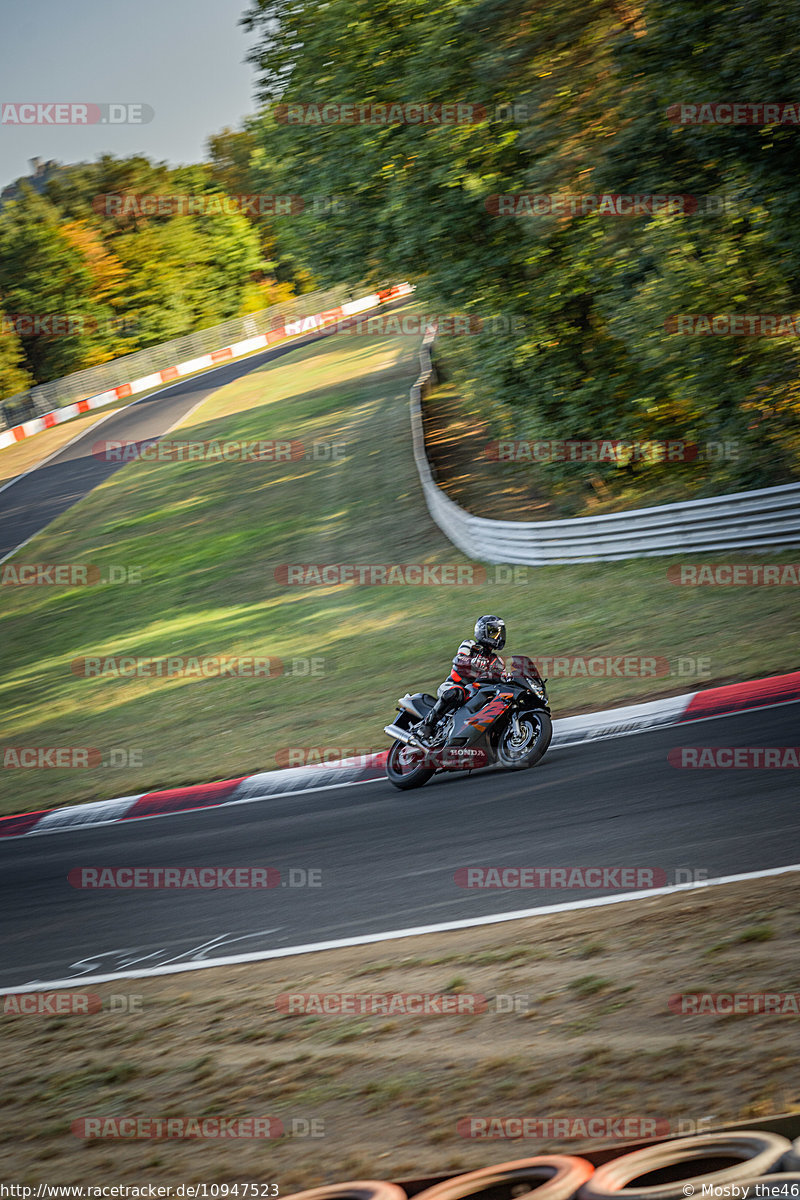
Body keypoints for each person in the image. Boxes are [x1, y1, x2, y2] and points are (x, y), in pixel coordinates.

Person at [417, 615, 509, 742]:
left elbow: (502, 678)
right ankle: (426, 726)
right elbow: (459, 659)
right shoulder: (470, 645)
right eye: (494, 632)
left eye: (500, 633)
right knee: (456, 693)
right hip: (453, 685)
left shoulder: (496, 661)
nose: (498, 637)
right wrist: (473, 661)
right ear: (483, 632)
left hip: (476, 693)